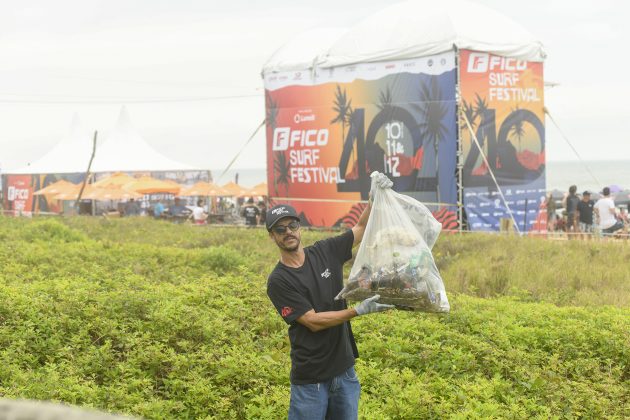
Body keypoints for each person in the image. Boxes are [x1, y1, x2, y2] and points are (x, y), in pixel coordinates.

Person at [266, 173, 395, 420]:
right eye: (280, 229)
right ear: (272, 236)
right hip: (311, 380)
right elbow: (312, 321)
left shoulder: (325, 251)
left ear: (300, 228)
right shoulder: (279, 281)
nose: (288, 232)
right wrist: (357, 311)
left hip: (344, 371)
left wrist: (373, 198)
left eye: (292, 225)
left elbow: (360, 228)